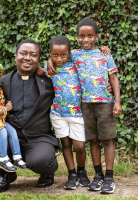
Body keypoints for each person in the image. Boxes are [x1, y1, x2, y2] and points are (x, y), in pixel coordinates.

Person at [0, 39, 60, 193]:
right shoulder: (0, 82)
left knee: (42, 161)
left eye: (33, 55)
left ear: (39, 60)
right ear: (16, 56)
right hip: (9, 136)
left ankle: (46, 172)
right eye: (23, 53)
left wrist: (108, 86)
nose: (27, 57)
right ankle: (6, 175)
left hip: (38, 138)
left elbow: (71, 79)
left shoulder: (49, 81)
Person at [70, 18, 122, 194]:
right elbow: (57, 58)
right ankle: (98, 175)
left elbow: (113, 78)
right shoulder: (74, 54)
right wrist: (47, 63)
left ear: (97, 37)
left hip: (105, 103)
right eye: (82, 36)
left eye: (90, 36)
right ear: (77, 37)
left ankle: (109, 177)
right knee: (93, 140)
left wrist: (117, 101)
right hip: (85, 104)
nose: (86, 39)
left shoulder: (105, 54)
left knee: (106, 139)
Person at [36, 36, 90, 190]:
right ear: (50, 54)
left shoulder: (76, 66)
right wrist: (47, 63)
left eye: (63, 55)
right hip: (58, 114)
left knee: (79, 146)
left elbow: (88, 57)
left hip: (77, 114)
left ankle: (82, 171)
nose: (59, 59)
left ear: (69, 54)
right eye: (55, 55)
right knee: (65, 144)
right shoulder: (49, 70)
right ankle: (72, 174)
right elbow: (35, 70)